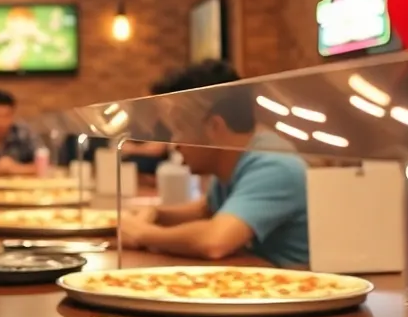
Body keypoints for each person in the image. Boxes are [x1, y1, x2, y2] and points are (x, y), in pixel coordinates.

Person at [118, 60, 309, 267]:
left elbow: (214, 242)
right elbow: (205, 209)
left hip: (294, 282)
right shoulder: (234, 158)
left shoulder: (274, 166)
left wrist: (143, 233)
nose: (174, 143)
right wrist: (157, 213)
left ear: (215, 126)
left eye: (180, 128)